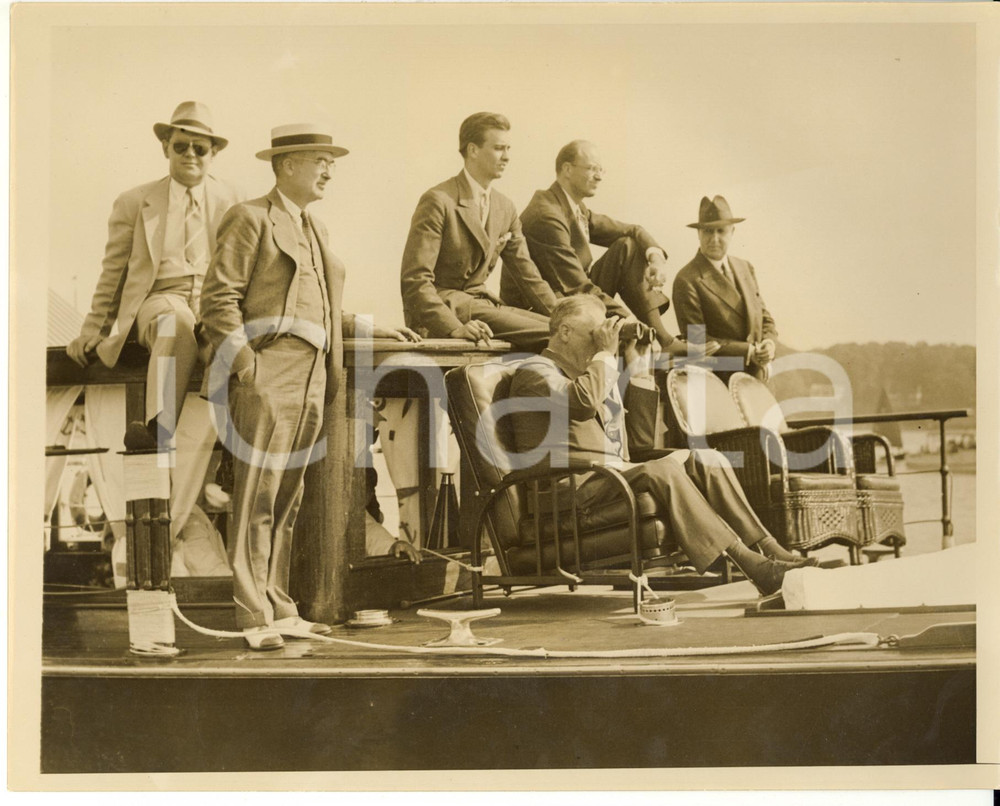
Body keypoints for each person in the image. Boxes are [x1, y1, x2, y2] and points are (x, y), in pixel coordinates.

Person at [199, 124, 420, 650]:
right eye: (319, 160)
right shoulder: (250, 218)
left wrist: (372, 328)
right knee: (256, 494)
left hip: (315, 372)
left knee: (288, 499)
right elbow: (218, 299)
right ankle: (254, 615)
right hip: (269, 367)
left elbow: (321, 308)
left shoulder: (315, 228)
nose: (328, 171)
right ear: (286, 164)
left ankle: (280, 605)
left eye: (331, 162)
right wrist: (247, 364)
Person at [507, 295, 816, 596]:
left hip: (607, 477)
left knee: (706, 458)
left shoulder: (590, 375)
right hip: (569, 486)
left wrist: (638, 368)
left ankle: (771, 548)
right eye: (595, 333)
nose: (602, 341)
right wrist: (605, 354)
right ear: (564, 332)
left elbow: (639, 443)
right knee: (665, 468)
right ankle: (753, 566)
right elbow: (584, 402)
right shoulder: (535, 372)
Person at [66, 101, 241, 450]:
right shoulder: (135, 201)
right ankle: (156, 430)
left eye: (200, 148)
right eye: (180, 146)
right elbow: (113, 273)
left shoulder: (234, 200)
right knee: (174, 322)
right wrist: (93, 330)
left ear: (213, 153)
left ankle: (230, 447)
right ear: (165, 148)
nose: (190, 154)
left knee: (238, 340)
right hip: (161, 298)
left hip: (212, 301)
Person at [510, 140, 716, 358]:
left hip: (572, 294)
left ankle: (663, 339)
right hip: (543, 309)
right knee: (625, 252)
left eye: (601, 170)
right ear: (567, 170)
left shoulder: (572, 206)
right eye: (591, 169)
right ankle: (662, 338)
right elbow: (575, 285)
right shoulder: (547, 213)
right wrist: (627, 322)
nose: (599, 176)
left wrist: (656, 258)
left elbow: (633, 230)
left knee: (627, 246)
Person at [400, 112, 557, 353]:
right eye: (498, 148)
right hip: (446, 310)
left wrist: (565, 315)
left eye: (508, 149)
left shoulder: (505, 207)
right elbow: (415, 281)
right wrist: (453, 327)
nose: (507, 157)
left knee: (565, 328)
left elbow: (529, 277)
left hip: (485, 305)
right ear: (473, 150)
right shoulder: (439, 200)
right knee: (558, 335)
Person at [672, 196, 778, 381]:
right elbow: (698, 341)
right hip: (717, 381)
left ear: (732, 232)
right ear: (698, 234)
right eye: (707, 231)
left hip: (757, 377)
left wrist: (769, 343)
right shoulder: (687, 279)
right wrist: (748, 352)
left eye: (721, 231)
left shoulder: (745, 268)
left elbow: (764, 317)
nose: (714, 239)